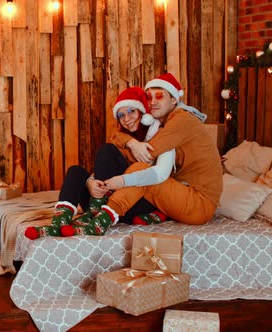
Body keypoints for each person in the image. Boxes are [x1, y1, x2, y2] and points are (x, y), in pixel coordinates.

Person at [64, 73, 222, 235]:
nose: (153, 102)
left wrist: (120, 175)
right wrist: (131, 143)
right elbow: (116, 141)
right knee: (84, 167)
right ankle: (85, 213)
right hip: (179, 195)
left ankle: (103, 216)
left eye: (159, 96)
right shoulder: (161, 124)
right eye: (149, 97)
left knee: (139, 167)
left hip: (199, 204)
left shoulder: (182, 120)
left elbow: (146, 156)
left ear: (174, 100)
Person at [25, 87, 174, 239]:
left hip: (134, 200)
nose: (126, 119)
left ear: (143, 113)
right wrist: (90, 182)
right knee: (75, 171)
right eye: (121, 115)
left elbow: (159, 177)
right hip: (109, 200)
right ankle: (59, 223)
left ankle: (96, 213)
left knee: (106, 150)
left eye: (131, 111)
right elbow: (102, 169)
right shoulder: (121, 139)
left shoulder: (159, 135)